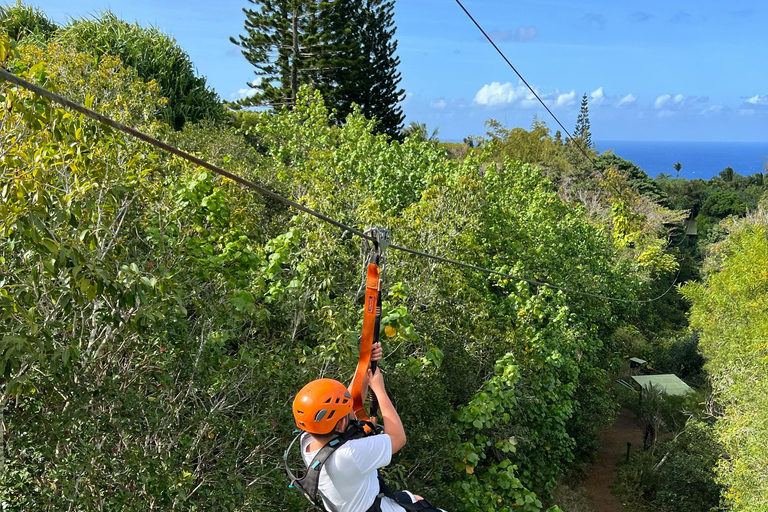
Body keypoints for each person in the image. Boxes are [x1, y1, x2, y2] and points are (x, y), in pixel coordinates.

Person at [293, 342, 446, 512]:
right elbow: (398, 438)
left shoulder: (307, 439)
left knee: (415, 498)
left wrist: (364, 365)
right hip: (379, 508)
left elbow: (349, 404)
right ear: (343, 422)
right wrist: (379, 389)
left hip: (370, 501)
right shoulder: (350, 455)